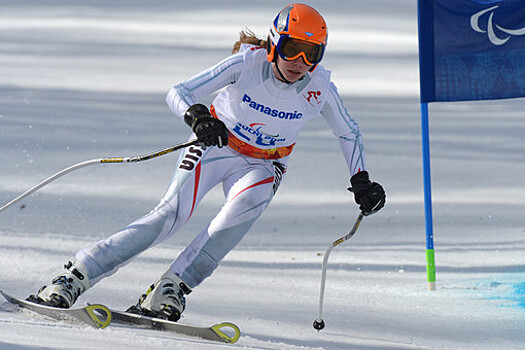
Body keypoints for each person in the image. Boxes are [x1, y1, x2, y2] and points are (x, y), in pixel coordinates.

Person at [29, 3, 386, 322]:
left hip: (264, 165)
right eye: (293, 49)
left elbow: (349, 133)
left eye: (312, 53)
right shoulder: (246, 64)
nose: (300, 63)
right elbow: (179, 91)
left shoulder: (319, 88)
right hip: (216, 146)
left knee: (232, 221)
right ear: (275, 43)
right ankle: (75, 276)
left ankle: (171, 288)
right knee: (169, 217)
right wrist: (199, 117)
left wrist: (361, 180)